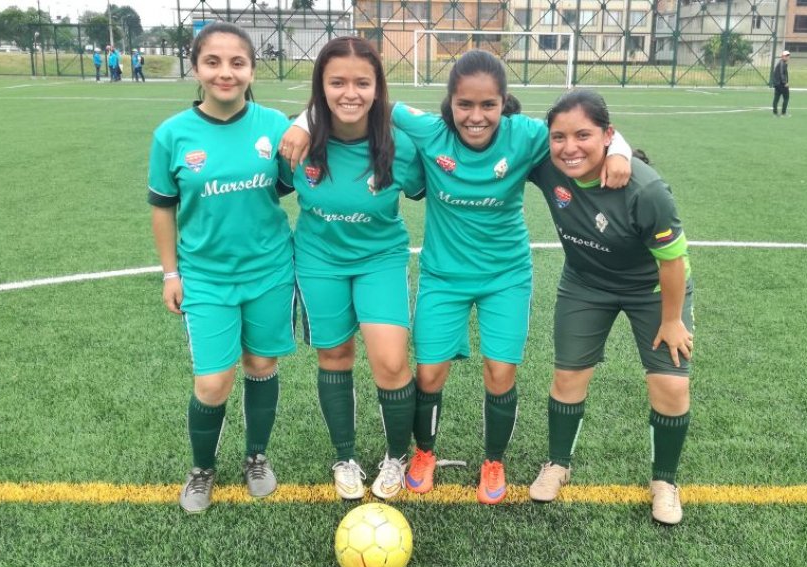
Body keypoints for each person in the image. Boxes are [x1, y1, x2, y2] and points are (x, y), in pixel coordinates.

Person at [280, 50, 632, 505]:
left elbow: (578, 133)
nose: (476, 116)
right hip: (443, 276)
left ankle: (493, 460)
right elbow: (371, 103)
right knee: (428, 373)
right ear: (449, 104)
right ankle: (422, 453)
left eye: (488, 105)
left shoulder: (525, 136)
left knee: (500, 369)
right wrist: (304, 123)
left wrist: (619, 150)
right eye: (465, 104)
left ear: (504, 103)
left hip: (505, 274)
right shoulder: (429, 132)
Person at [525, 90, 694, 526]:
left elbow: (673, 262)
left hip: (652, 290)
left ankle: (664, 481)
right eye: (559, 136)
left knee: (671, 387)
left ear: (608, 135)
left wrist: (672, 320)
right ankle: (558, 464)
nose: (569, 147)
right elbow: (500, 133)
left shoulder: (646, 189)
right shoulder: (546, 166)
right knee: (567, 376)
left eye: (584, 135)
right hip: (585, 284)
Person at [147, 21, 296, 514]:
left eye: (237, 62)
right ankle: (202, 467)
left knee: (260, 364)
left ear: (252, 69)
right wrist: (171, 273)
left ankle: (256, 456)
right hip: (206, 276)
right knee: (213, 381)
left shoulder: (275, 125)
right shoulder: (172, 135)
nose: (225, 73)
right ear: (196, 68)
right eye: (213, 62)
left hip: (270, 269)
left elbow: (290, 180)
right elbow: (163, 206)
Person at [289, 37, 426, 501]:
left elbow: (453, 162)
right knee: (335, 357)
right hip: (318, 261)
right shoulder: (295, 143)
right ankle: (344, 457)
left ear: (377, 87)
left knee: (390, 363)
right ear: (320, 86)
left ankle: (395, 456)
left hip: (379, 261)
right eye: (338, 82)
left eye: (362, 82)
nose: (350, 93)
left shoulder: (402, 146)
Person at [771, 50, 790, 117]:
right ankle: (783, 113)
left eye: (788, 56)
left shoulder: (780, 63)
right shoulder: (782, 64)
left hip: (777, 84)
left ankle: (775, 113)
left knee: (776, 98)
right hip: (781, 84)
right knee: (786, 98)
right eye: (786, 56)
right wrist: (785, 82)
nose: (787, 57)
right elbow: (782, 74)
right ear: (783, 56)